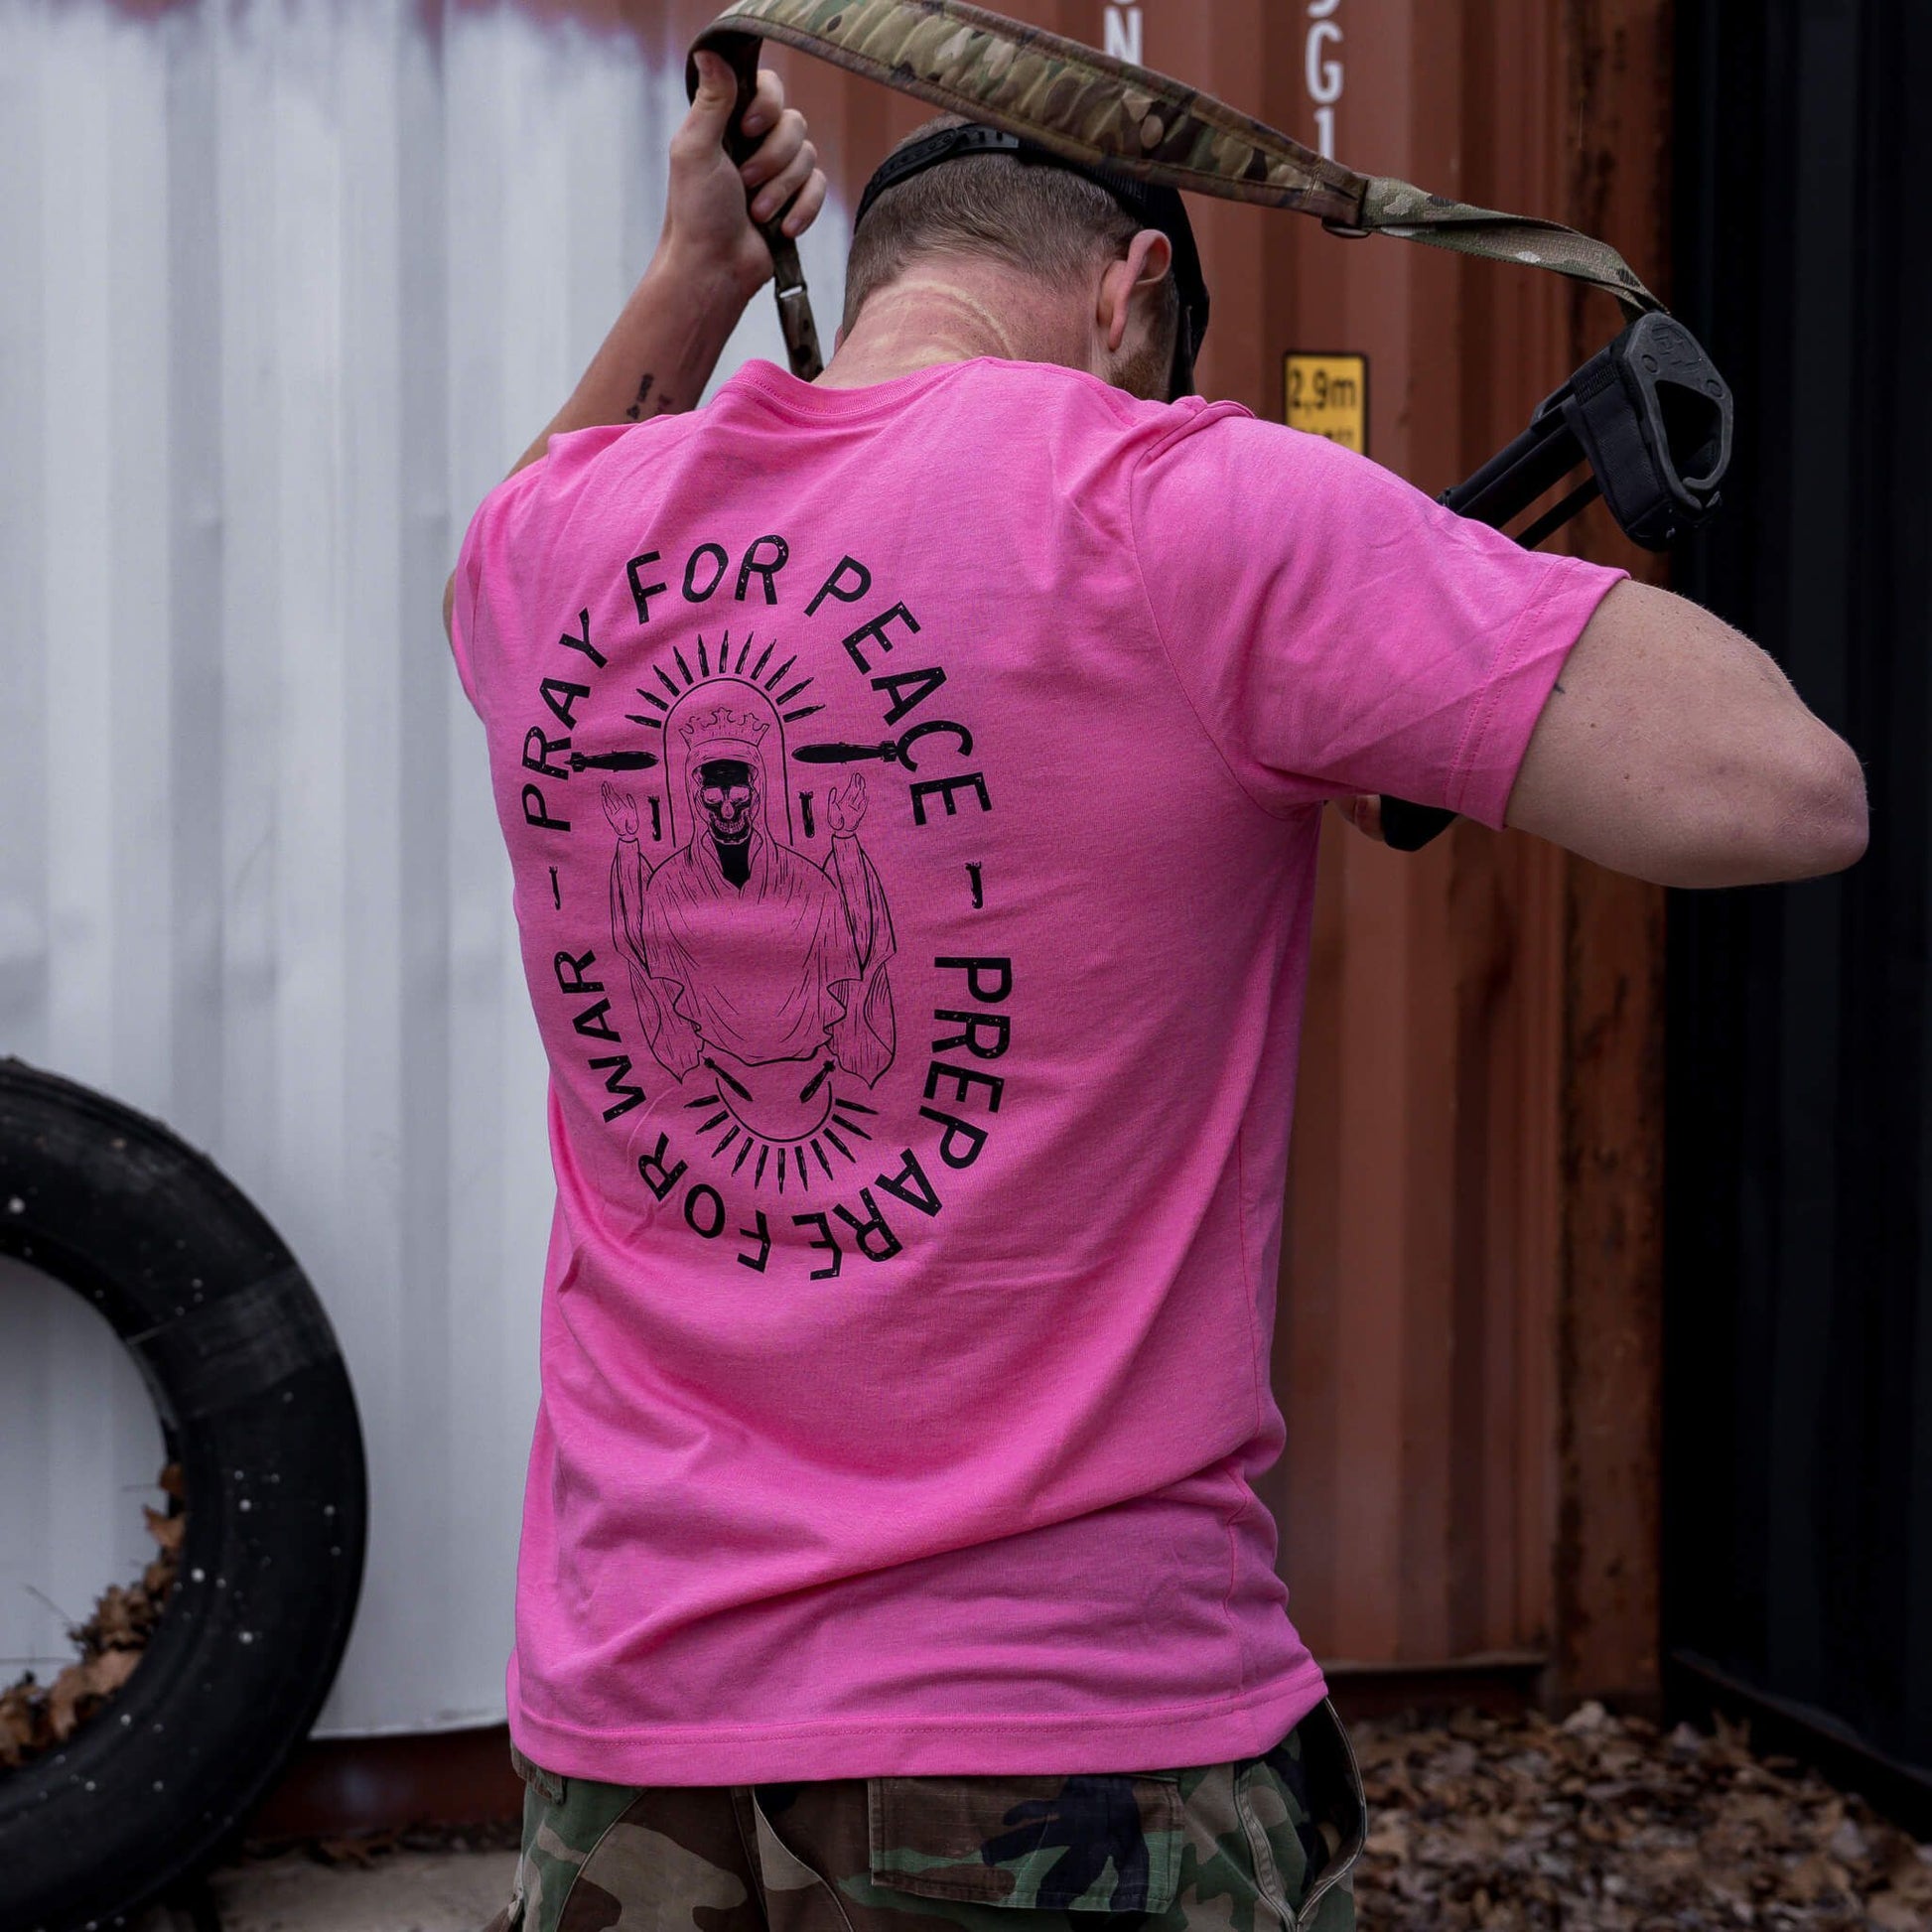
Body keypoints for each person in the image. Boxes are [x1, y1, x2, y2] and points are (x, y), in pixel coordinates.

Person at [447, 51, 1867, 1932]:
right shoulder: (1183, 504)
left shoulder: (553, 553)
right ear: (1130, 296)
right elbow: (1786, 789)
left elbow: (528, 509)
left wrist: (695, 271)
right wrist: (1371, 612)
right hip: (1063, 1732)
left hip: (633, 1720)